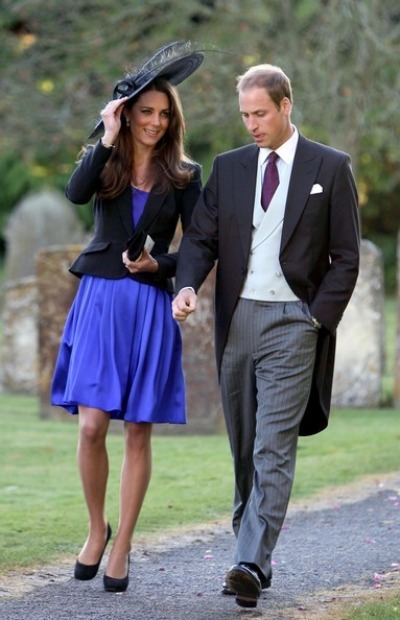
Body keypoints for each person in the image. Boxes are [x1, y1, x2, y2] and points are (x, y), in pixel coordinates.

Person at [172, 63, 360, 609]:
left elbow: (346, 258)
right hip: (238, 320)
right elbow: (200, 240)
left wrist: (316, 318)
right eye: (245, 115)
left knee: (272, 445)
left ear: (285, 106)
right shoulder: (229, 169)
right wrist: (186, 287)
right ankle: (252, 556)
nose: (251, 124)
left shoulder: (331, 166)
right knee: (243, 450)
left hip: (294, 324)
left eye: (260, 113)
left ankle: (249, 562)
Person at [51, 41, 204, 593]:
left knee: (137, 430)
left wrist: (156, 264)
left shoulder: (186, 174)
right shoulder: (106, 159)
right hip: (99, 299)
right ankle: (97, 529)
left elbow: (196, 248)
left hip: (147, 305)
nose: (156, 123)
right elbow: (73, 193)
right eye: (147, 112)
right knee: (92, 425)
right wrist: (106, 134)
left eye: (165, 115)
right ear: (128, 112)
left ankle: (123, 544)